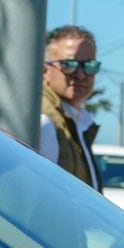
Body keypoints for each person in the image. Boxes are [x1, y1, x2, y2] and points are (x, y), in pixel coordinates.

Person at [38, 24, 104, 190]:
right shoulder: (44, 123)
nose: (81, 74)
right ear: (45, 71)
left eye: (89, 65)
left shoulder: (76, 121)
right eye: (69, 65)